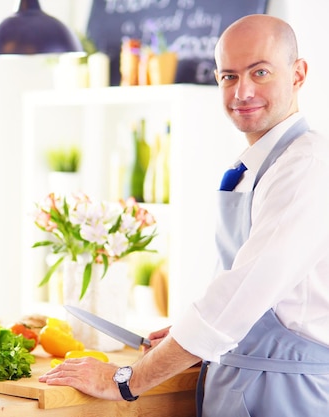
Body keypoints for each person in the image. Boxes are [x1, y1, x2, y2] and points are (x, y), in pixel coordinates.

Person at [40, 14, 329, 416]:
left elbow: (240, 295)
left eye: (259, 72)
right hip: (244, 382)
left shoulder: (309, 165)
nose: (242, 91)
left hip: (285, 395)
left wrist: (126, 380)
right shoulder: (261, 164)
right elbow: (239, 286)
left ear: (298, 74)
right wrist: (187, 338)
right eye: (228, 76)